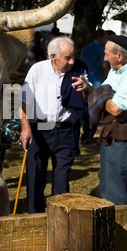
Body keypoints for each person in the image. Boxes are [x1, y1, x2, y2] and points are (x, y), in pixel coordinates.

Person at [19, 36, 88, 213]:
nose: (72, 61)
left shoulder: (80, 70)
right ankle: (34, 217)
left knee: (61, 181)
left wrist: (86, 88)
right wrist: (25, 128)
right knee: (35, 177)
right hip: (39, 130)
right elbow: (24, 101)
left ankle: (60, 219)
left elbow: (89, 100)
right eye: (67, 58)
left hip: (66, 131)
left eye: (73, 56)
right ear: (53, 56)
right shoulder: (37, 70)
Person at [83, 35, 127, 205]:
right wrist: (90, 89)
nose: (104, 58)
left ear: (119, 56)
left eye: (107, 54)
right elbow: (103, 96)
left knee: (117, 189)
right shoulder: (115, 70)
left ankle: (118, 226)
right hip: (111, 133)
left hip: (124, 136)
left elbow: (116, 108)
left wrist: (99, 94)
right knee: (107, 181)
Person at [80, 29, 109, 145]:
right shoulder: (102, 49)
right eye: (106, 37)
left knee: (88, 111)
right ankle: (91, 136)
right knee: (99, 112)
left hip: (86, 82)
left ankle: (86, 135)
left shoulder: (85, 49)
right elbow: (104, 66)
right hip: (99, 83)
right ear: (100, 36)